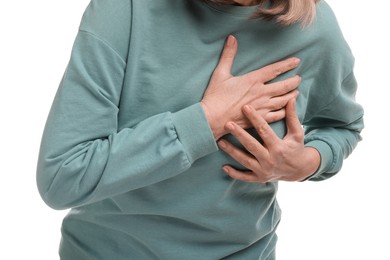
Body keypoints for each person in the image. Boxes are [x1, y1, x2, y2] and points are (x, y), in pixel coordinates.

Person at [36, 0, 364, 259]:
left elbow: (343, 126)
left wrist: (305, 163)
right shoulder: (126, 8)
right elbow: (64, 176)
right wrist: (206, 120)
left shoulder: (315, 29)